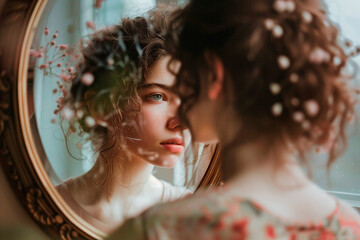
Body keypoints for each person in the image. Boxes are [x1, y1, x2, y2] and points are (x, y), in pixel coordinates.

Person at [108, 0, 360, 239]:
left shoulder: (160, 230)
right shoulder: (351, 227)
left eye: (182, 72)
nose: (179, 110)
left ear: (213, 75)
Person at [55, 9, 194, 234]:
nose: (182, 122)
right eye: (157, 96)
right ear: (102, 107)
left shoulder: (190, 215)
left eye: (189, 101)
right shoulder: (48, 202)